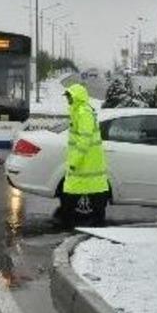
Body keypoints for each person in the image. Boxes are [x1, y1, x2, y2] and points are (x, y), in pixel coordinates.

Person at [57, 83, 110, 229]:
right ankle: (68, 217)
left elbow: (84, 139)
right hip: (87, 161)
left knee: (86, 190)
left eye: (69, 96)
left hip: (87, 161)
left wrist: (74, 160)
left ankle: (68, 219)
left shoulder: (83, 112)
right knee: (89, 190)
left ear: (76, 97)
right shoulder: (78, 111)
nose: (67, 99)